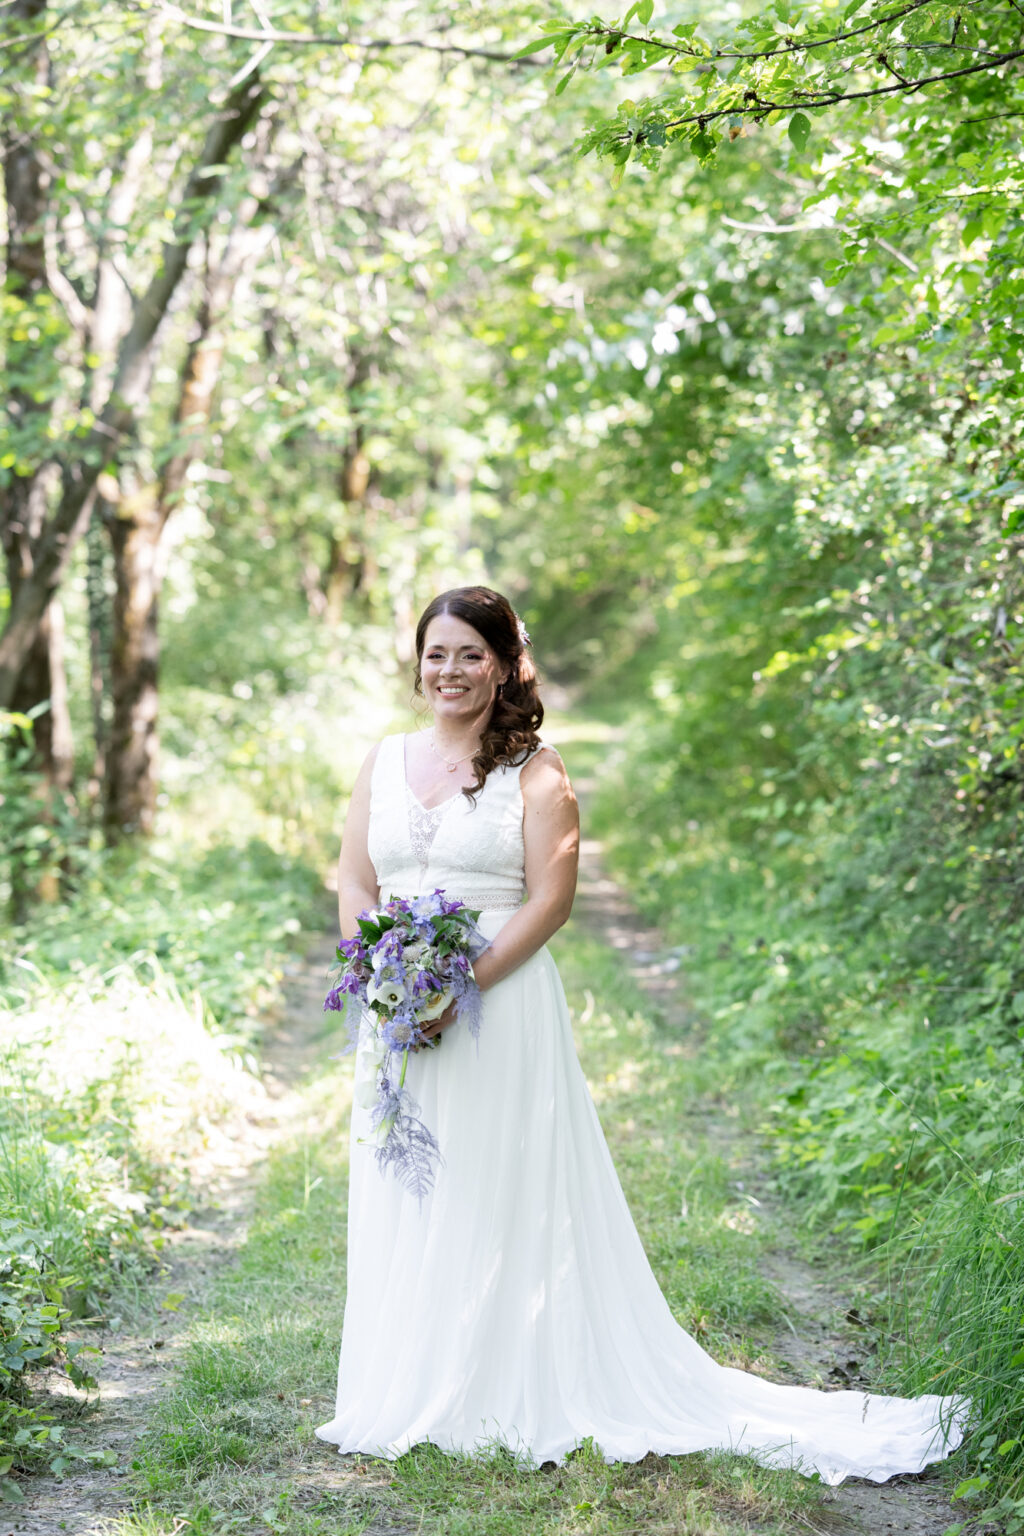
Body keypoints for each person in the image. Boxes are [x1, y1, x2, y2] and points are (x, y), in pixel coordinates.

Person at [315, 584, 968, 1483]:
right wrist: (378, 980)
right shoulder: (382, 762)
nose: (451, 671)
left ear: (504, 664)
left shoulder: (536, 773)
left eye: (471, 654)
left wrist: (454, 987)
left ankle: (500, 1382)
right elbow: (354, 880)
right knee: (411, 1187)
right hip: (394, 1015)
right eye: (436, 653)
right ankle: (411, 1381)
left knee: (497, 1185)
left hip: (496, 1005)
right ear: (416, 662)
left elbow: (552, 900)